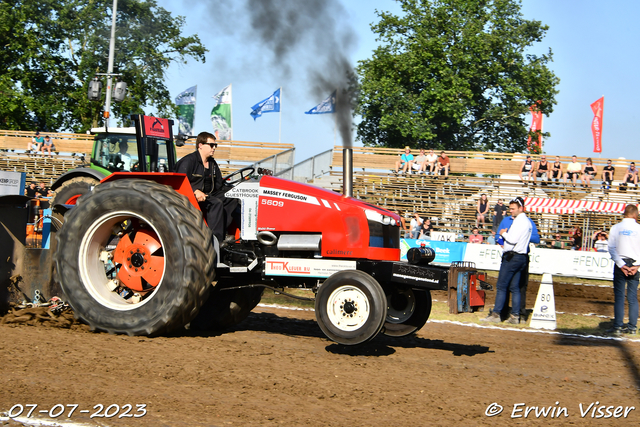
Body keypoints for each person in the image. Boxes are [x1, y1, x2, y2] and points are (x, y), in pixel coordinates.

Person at [175, 131, 239, 244]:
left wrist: (235, 189)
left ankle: (223, 231)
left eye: (215, 145)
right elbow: (178, 183)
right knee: (216, 203)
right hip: (191, 196)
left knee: (231, 196)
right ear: (200, 145)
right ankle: (215, 240)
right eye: (211, 145)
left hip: (209, 194)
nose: (214, 148)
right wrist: (194, 191)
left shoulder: (212, 163)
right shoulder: (188, 161)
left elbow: (219, 184)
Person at [482, 197, 532, 324]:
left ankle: (496, 314)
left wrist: (503, 233)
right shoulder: (527, 222)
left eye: (513, 209)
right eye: (510, 209)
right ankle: (515, 316)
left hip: (512, 257)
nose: (511, 211)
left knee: (502, 286)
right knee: (515, 287)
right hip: (521, 257)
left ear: (521, 208)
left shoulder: (519, 222)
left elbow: (512, 239)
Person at [607, 204, 640, 336]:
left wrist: (621, 264)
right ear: (635, 214)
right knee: (632, 297)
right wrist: (637, 265)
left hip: (620, 264)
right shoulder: (639, 228)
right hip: (635, 265)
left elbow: (611, 248)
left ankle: (618, 326)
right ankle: (632, 327)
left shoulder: (616, 228)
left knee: (620, 297)